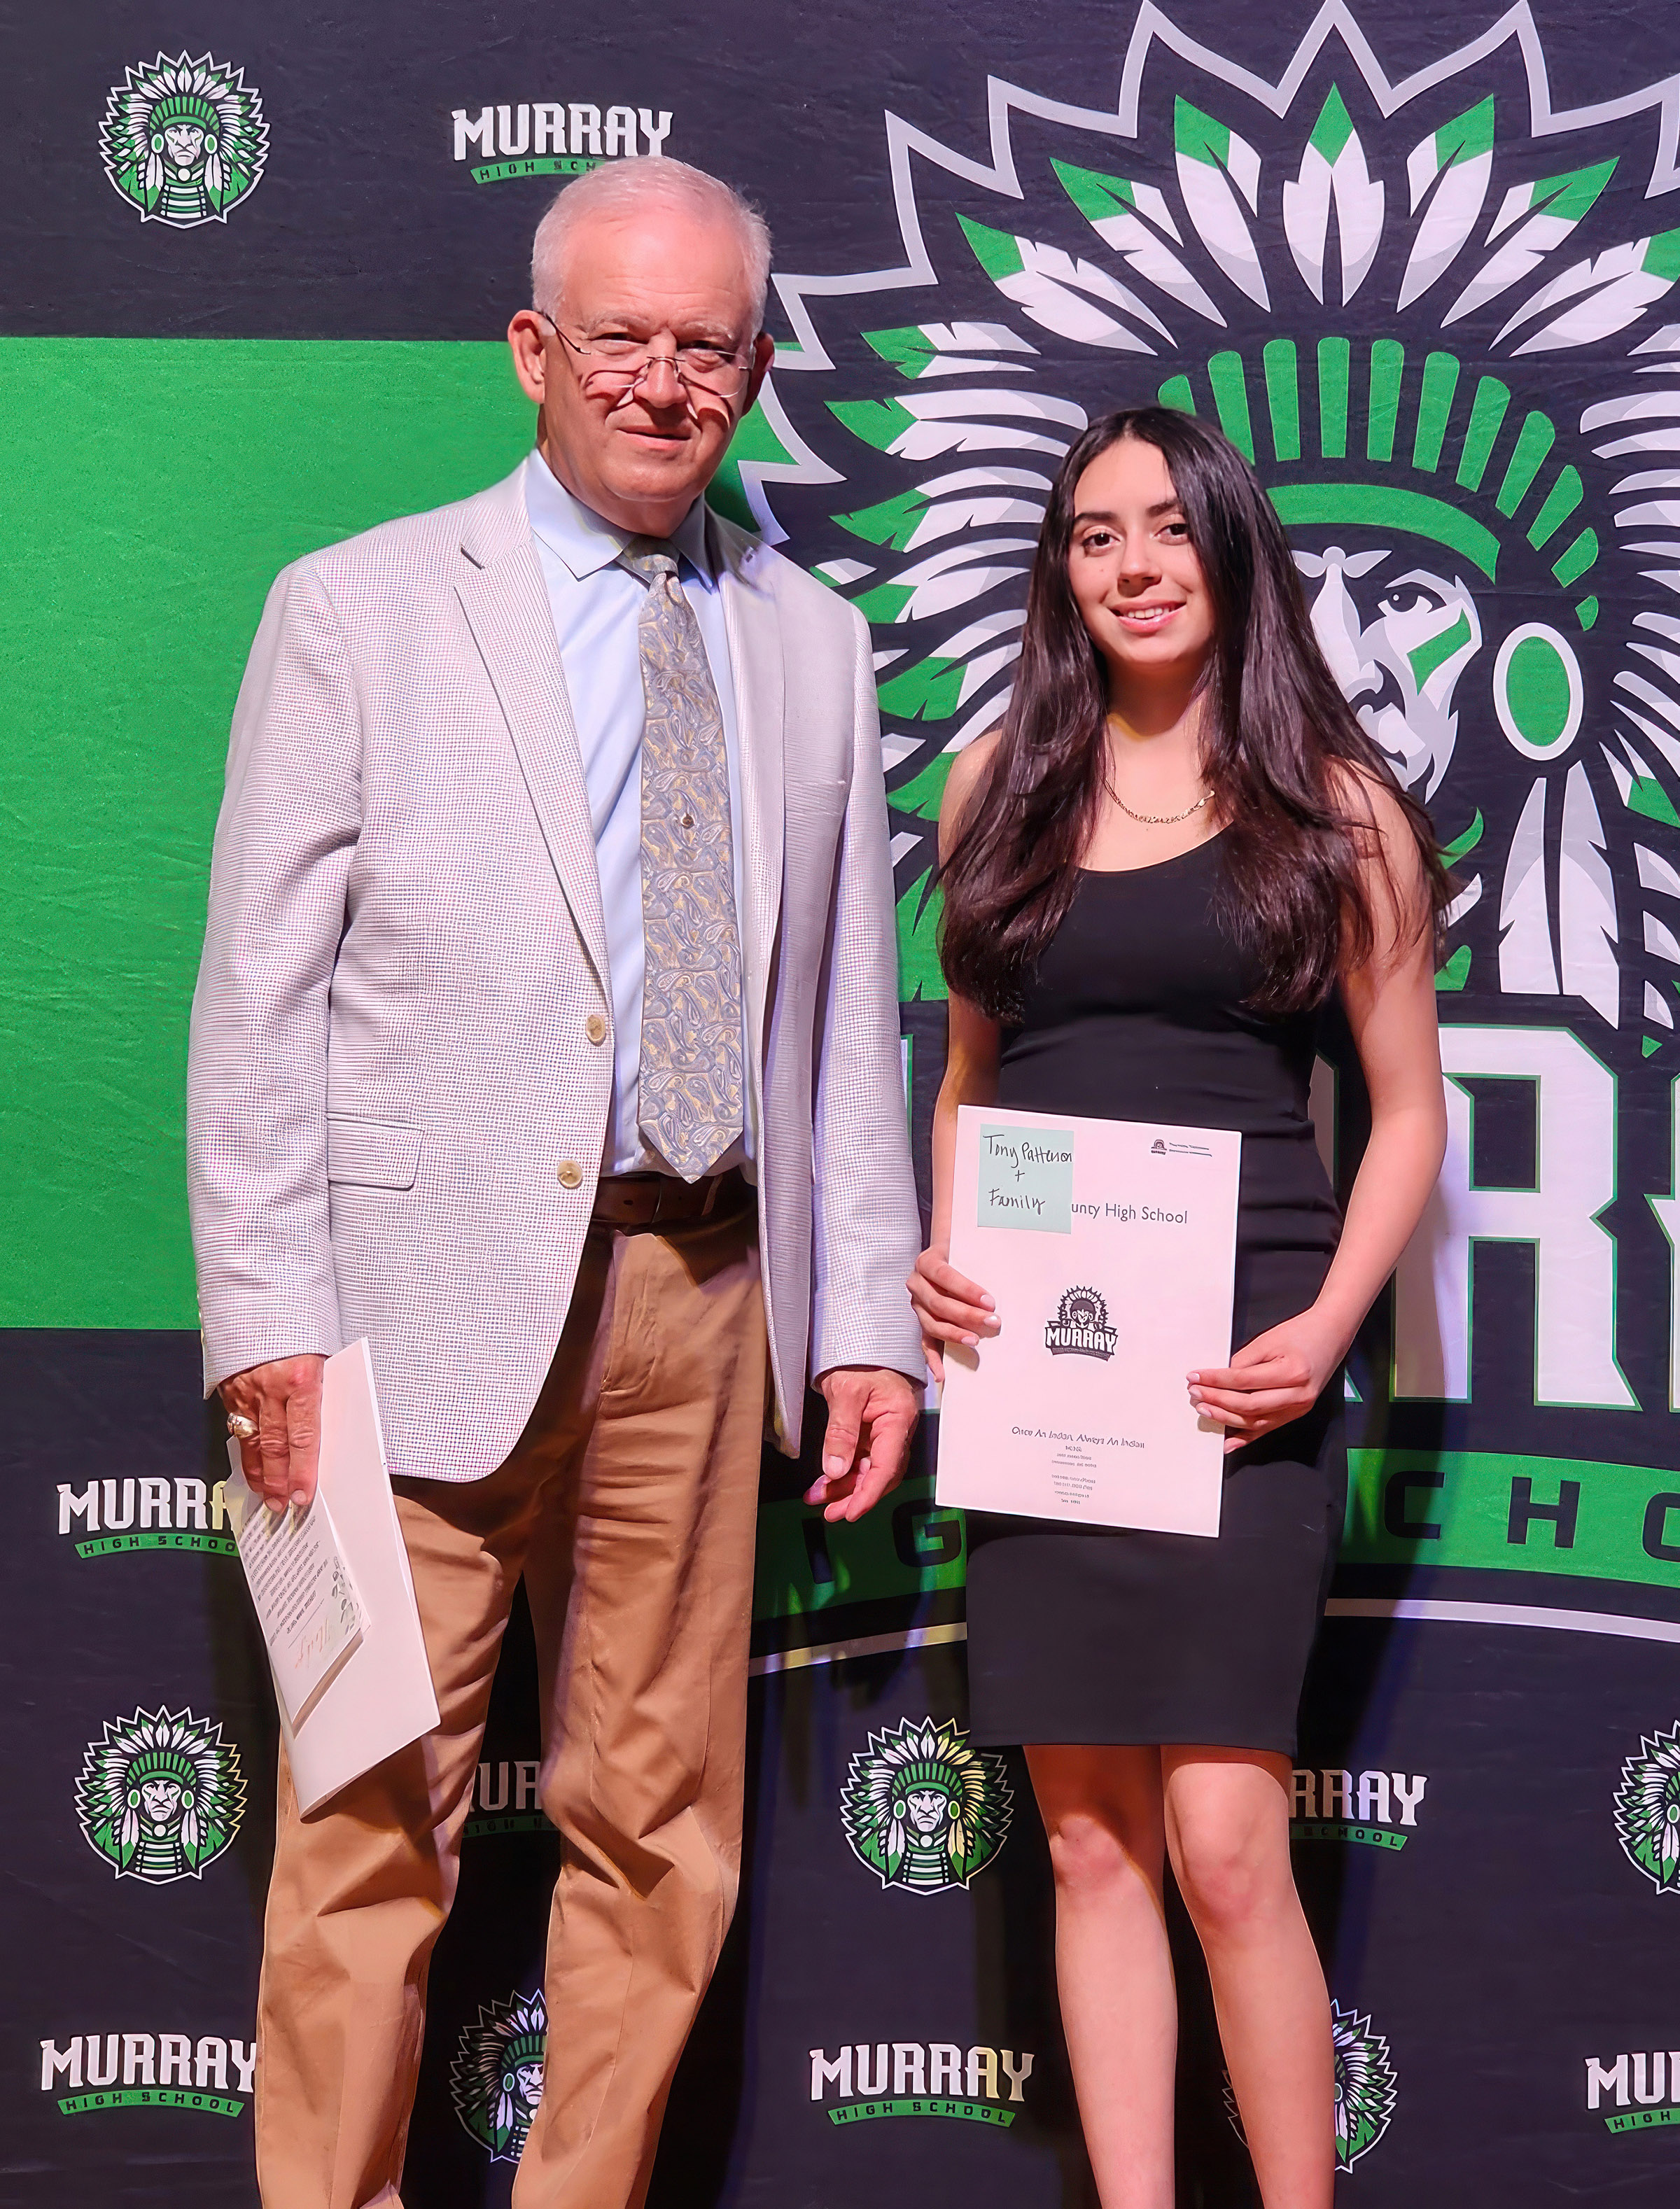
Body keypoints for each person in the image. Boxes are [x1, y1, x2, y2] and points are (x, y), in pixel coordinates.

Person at [188, 155, 923, 2209]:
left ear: (758, 373)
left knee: (662, 1833)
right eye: (623, 340)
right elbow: (256, 997)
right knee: (361, 1823)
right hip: (403, 1319)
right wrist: (265, 1321)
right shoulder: (356, 605)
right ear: (535, 353)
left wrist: (862, 1316)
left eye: (708, 349)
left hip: (701, 1298)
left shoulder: (814, 643)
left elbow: (843, 1013)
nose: (665, 384)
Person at [909, 407, 1449, 2207]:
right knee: (1085, 1839)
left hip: (1241, 1358)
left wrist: (1330, 1327)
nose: (1130, 566)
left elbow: (1409, 1106)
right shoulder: (992, 789)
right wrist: (943, 1246)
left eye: (1163, 529)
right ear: (1059, 573)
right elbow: (972, 1072)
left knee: (1226, 1842)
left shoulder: (1340, 805)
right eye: (1089, 537)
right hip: (1042, 1369)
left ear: (1228, 546)